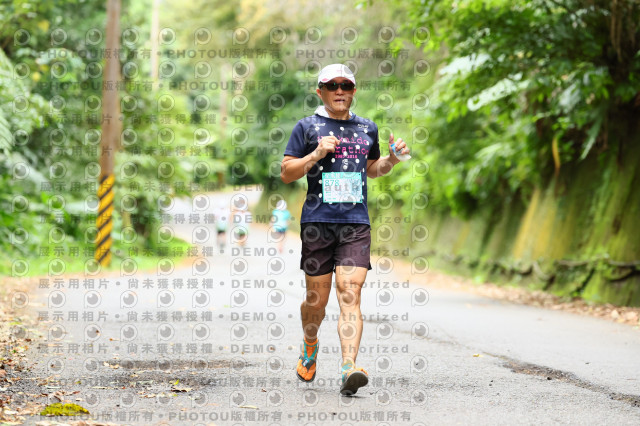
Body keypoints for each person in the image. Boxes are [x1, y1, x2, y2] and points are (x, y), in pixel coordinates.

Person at [280, 63, 410, 395]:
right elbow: (287, 172)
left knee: (350, 292)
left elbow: (373, 168)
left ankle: (349, 366)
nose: (340, 91)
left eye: (346, 85)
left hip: (355, 223)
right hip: (317, 223)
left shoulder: (367, 128)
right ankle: (310, 344)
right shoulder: (306, 127)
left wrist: (392, 159)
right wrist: (316, 153)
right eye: (332, 85)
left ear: (354, 90)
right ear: (320, 91)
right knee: (316, 301)